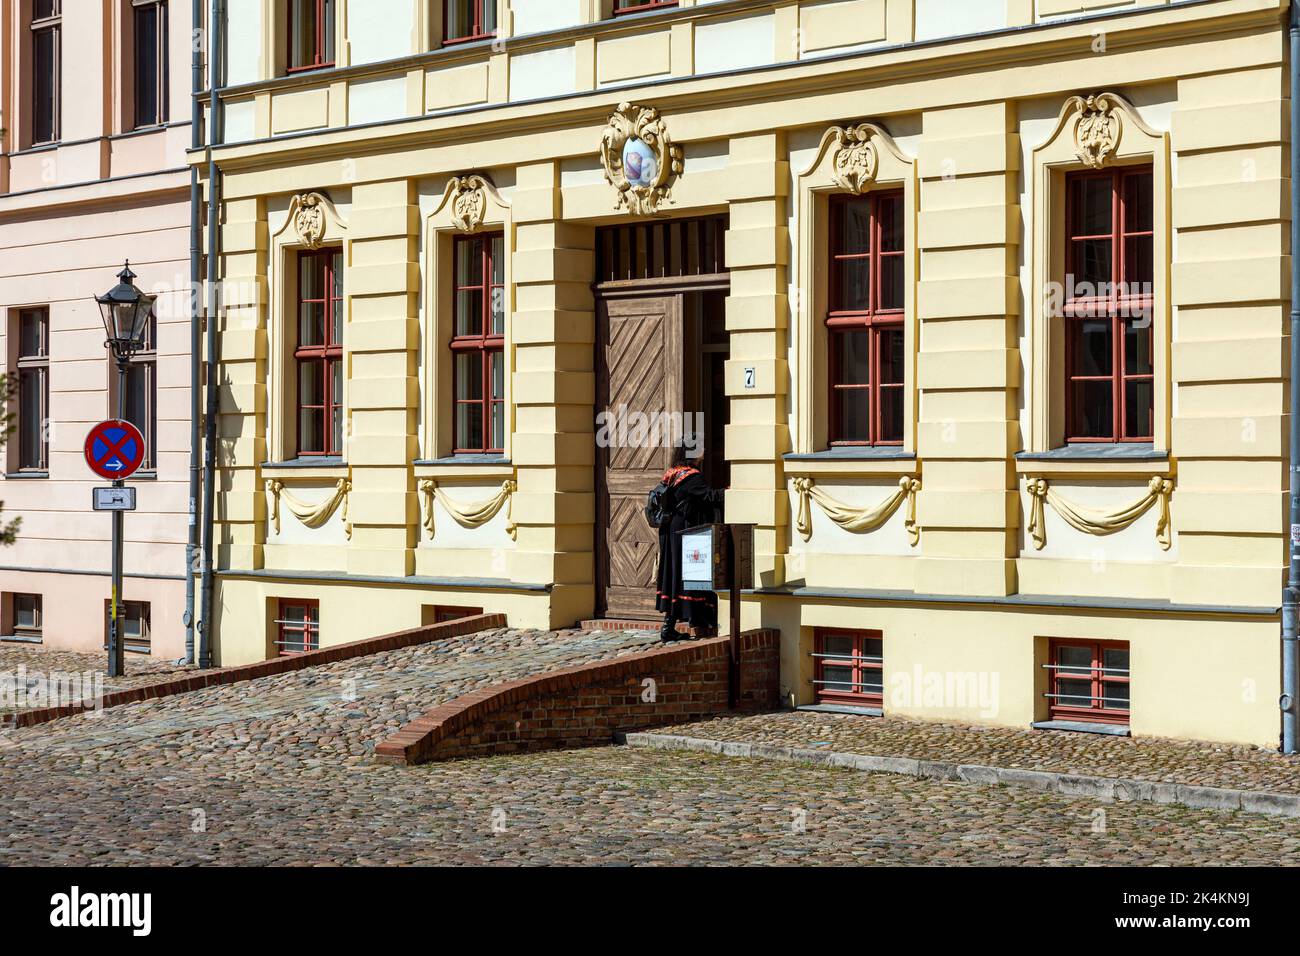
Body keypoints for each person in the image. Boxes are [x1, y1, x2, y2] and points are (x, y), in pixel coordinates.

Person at [655, 446, 724, 642]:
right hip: (686, 530)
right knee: (688, 574)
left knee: (675, 575)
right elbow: (709, 497)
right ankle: (691, 623)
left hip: (670, 531)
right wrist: (732, 492)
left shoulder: (672, 474)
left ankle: (670, 627)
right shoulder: (692, 477)